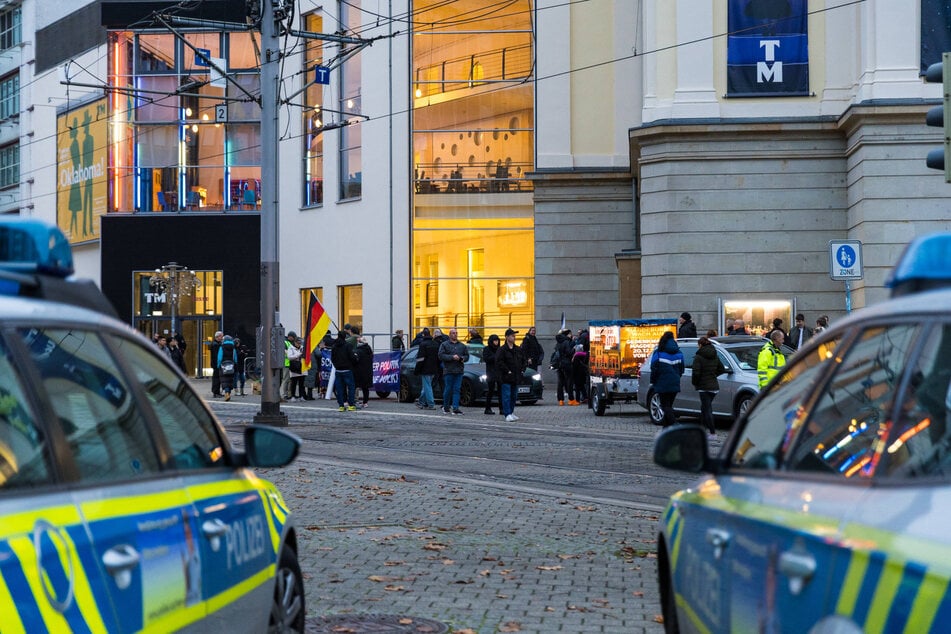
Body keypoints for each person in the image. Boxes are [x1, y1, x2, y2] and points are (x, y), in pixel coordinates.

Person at [692, 336, 727, 438]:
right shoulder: (714, 354)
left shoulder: (698, 356)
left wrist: (695, 383)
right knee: (704, 408)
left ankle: (712, 433)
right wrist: (713, 375)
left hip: (704, 387)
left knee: (707, 409)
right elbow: (722, 369)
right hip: (714, 386)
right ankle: (702, 431)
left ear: (700, 345)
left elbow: (696, 373)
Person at [649, 331, 684, 427]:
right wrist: (677, 377)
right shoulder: (679, 353)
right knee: (669, 405)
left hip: (662, 383)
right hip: (675, 382)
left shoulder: (658, 353)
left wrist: (653, 381)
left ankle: (675, 424)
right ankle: (666, 428)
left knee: (665, 406)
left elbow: (654, 368)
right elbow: (682, 369)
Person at [438, 327, 469, 414]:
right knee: (448, 389)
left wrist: (462, 358)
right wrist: (451, 357)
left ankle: (455, 407)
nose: (455, 334)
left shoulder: (462, 345)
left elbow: (467, 356)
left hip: (459, 370)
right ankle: (446, 406)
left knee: (457, 389)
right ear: (449, 334)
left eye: (456, 333)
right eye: (453, 333)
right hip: (448, 370)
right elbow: (440, 355)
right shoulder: (444, 345)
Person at [497, 328, 524, 422]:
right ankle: (507, 413)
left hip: (515, 377)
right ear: (507, 337)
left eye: (514, 336)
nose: (514, 337)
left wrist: (522, 370)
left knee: (514, 396)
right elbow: (499, 362)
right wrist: (507, 370)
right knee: (506, 396)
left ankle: (511, 412)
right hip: (506, 377)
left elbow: (523, 360)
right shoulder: (502, 350)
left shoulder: (517, 349)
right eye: (512, 335)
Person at [331, 330, 358, 411]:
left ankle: (341, 406)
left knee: (339, 388)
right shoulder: (348, 345)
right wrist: (355, 360)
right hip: (347, 369)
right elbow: (352, 357)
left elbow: (332, 358)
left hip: (338, 370)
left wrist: (336, 366)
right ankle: (351, 405)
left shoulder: (334, 346)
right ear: (345, 337)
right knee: (351, 387)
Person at [415, 329, 439, 410]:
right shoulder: (435, 344)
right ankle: (421, 402)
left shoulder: (423, 344)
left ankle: (431, 404)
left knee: (427, 386)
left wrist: (417, 369)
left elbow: (420, 359)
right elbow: (438, 358)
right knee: (427, 386)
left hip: (425, 369)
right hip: (434, 368)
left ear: (423, 335)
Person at [554, 328, 577, 405]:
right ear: (567, 334)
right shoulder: (566, 342)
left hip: (559, 364)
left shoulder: (558, 342)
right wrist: (574, 349)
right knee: (569, 381)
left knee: (560, 382)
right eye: (570, 334)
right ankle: (571, 400)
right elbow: (569, 352)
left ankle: (560, 400)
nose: (571, 335)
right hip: (566, 363)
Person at [482, 333, 502, 415]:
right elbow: (486, 359)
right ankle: (487, 408)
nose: (496, 342)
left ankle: (502, 409)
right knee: (491, 391)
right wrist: (495, 356)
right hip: (491, 373)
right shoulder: (487, 349)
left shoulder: (500, 349)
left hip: (499, 372)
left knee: (501, 391)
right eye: (494, 340)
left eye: (497, 340)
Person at [354, 335, 374, 407]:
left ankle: (354, 401)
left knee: (355, 386)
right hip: (368, 371)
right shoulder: (369, 350)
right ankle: (365, 402)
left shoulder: (358, 351)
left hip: (359, 371)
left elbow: (355, 360)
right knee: (365, 388)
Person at [218, 335, 238, 401]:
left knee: (224, 379)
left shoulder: (222, 347)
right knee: (230, 379)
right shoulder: (233, 348)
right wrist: (235, 363)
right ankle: (228, 393)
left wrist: (218, 365)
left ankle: (226, 392)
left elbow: (219, 357)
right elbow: (235, 357)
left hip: (223, 365)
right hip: (231, 365)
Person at [287, 337, 305, 401]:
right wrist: (298, 355)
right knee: (294, 383)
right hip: (294, 367)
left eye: (300, 343)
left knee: (301, 383)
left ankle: (301, 396)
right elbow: (289, 357)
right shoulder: (291, 348)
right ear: (295, 342)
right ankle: (293, 396)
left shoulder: (302, 348)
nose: (299, 344)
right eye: (298, 343)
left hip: (302, 367)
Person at [281, 331, 297, 400]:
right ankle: (284, 394)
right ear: (290, 337)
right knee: (286, 379)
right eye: (293, 337)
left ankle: (290, 394)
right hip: (286, 364)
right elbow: (286, 352)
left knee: (291, 380)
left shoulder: (291, 343)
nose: (294, 339)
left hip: (291, 363)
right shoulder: (285, 342)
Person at [208, 330, 224, 397]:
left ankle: (217, 392)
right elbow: (216, 356)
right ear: (218, 337)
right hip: (216, 364)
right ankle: (216, 392)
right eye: (221, 336)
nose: (222, 338)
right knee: (216, 378)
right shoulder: (216, 345)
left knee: (217, 378)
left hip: (216, 363)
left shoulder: (216, 344)